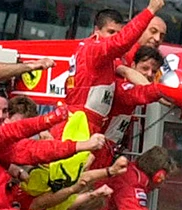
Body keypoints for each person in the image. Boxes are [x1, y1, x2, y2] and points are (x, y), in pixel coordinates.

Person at [56, 1, 164, 138]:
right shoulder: (94, 49)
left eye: (118, 33)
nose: (114, 37)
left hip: (85, 125)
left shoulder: (107, 58)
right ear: (96, 31)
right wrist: (150, 10)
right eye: (111, 32)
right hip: (77, 127)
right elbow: (121, 44)